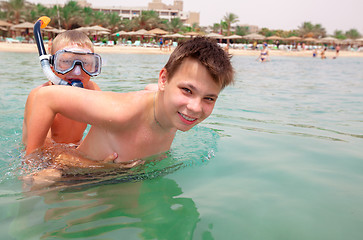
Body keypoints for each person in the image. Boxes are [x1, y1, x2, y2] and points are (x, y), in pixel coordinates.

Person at [24, 37, 234, 173]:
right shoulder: (120, 112)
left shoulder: (173, 109)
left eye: (209, 98)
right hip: (71, 181)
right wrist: (32, 167)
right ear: (164, 80)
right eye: (186, 90)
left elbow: (152, 88)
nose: (195, 107)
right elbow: (45, 97)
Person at [22, 30, 102, 150]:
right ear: (51, 65)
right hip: (42, 160)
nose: (77, 72)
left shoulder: (92, 90)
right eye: (66, 61)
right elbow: (42, 153)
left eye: (86, 63)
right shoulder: (38, 96)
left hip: (74, 153)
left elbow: (107, 130)